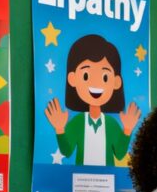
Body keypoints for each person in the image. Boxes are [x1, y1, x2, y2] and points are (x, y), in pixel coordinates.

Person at [44, 33, 141, 165]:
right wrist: (59, 129)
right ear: (72, 78)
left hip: (107, 182)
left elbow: (119, 153)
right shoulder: (78, 122)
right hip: (80, 181)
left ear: (116, 82)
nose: (96, 83)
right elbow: (67, 152)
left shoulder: (111, 124)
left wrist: (127, 130)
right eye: (85, 75)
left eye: (105, 77)